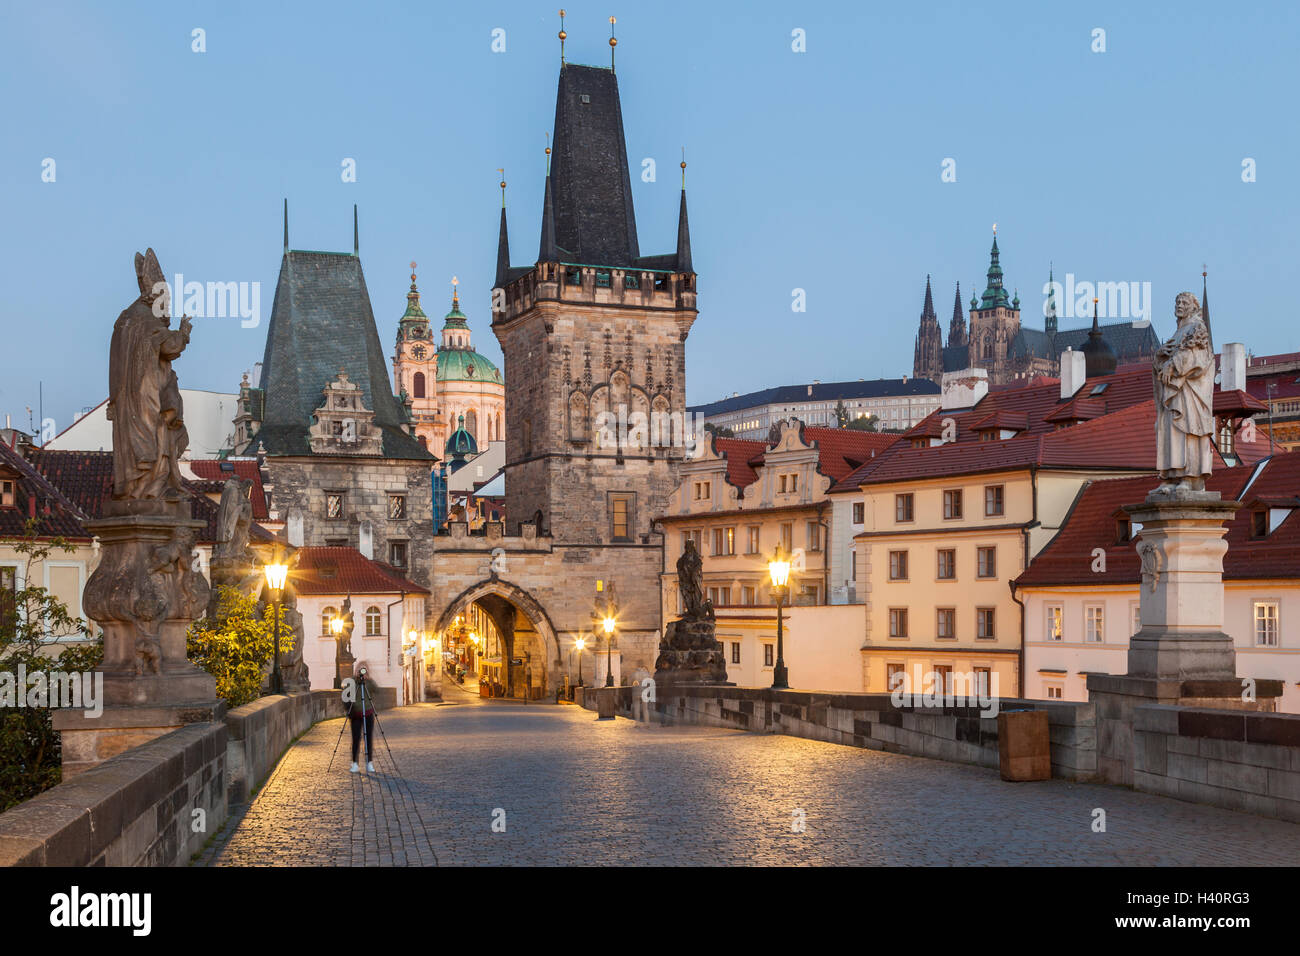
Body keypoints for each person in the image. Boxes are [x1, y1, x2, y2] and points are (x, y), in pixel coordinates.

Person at [346, 659, 379, 773]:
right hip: (355, 714)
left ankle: (369, 763)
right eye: (360, 669)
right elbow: (345, 696)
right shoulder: (352, 681)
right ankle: (354, 763)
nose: (362, 671)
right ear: (356, 670)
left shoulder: (369, 682)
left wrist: (368, 679)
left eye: (364, 669)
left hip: (368, 713)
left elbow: (377, 690)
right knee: (356, 739)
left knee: (368, 738)